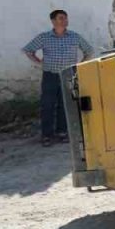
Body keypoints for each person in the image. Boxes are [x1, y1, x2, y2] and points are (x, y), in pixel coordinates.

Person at [22, 9, 94, 146]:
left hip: (68, 75)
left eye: (66, 18)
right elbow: (28, 50)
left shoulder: (74, 37)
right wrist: (39, 62)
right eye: (61, 18)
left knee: (65, 104)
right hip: (50, 75)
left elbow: (89, 50)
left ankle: (62, 132)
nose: (64, 21)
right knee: (47, 105)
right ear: (53, 21)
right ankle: (47, 135)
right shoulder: (44, 37)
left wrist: (79, 65)